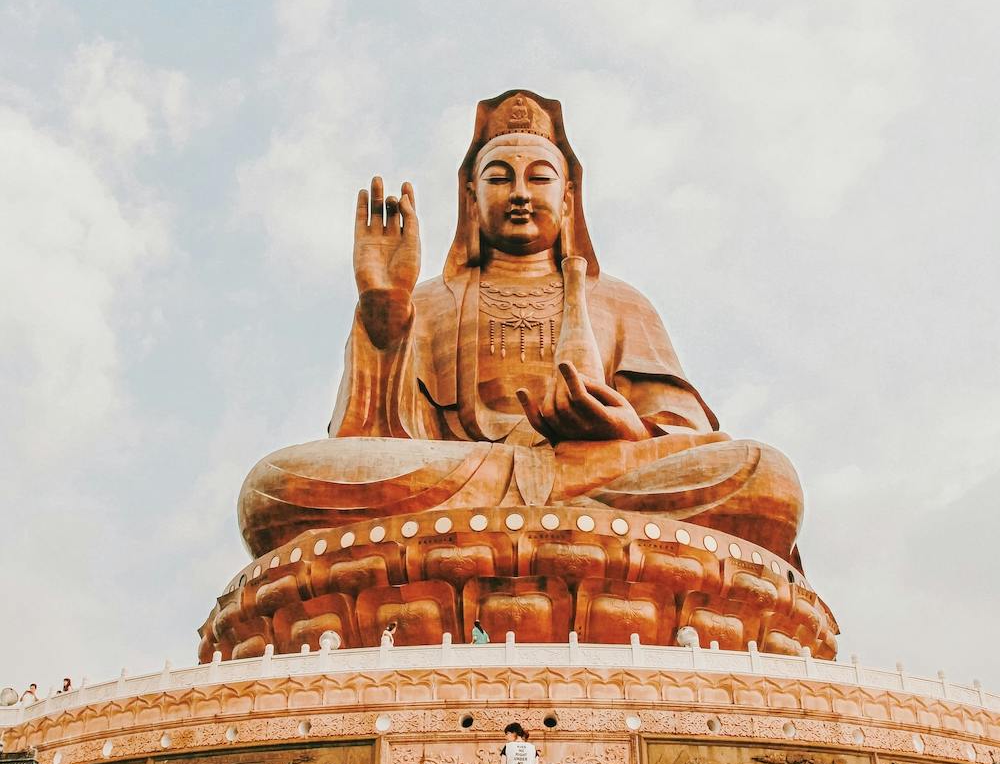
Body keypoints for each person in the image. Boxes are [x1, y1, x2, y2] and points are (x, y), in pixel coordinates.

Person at [239, 89, 804, 566]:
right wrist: (384, 311)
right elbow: (368, 441)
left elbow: (681, 432)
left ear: (568, 196)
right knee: (276, 485)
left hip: (591, 475)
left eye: (539, 178)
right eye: (498, 178)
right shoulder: (429, 302)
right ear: (471, 196)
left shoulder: (619, 302)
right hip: (461, 476)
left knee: (764, 476)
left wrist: (627, 431)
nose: (519, 194)